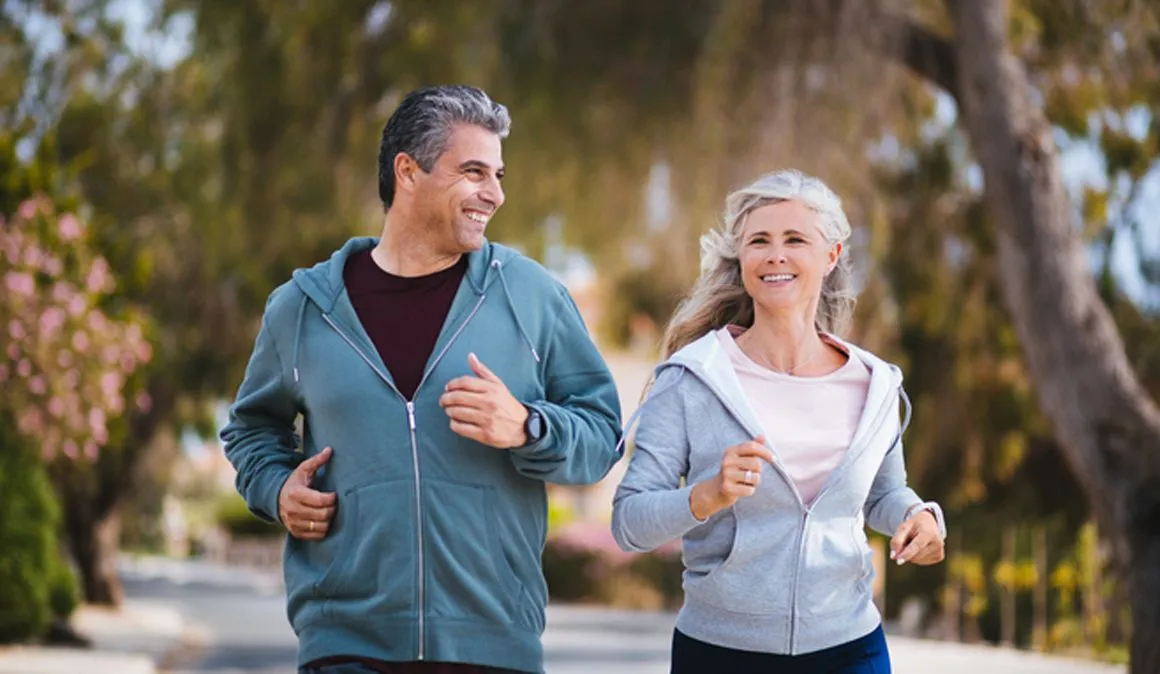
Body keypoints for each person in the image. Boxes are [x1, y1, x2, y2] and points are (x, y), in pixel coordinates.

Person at [221, 85, 623, 674]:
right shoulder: (303, 309)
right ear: (407, 172)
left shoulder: (533, 297)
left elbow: (603, 435)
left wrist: (529, 426)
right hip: (345, 644)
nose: (495, 194)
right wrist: (277, 491)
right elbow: (253, 430)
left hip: (493, 645)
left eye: (499, 174)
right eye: (473, 172)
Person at [610, 169, 946, 674]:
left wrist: (919, 517)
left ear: (831, 255)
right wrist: (708, 496)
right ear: (741, 258)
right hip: (721, 652)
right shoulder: (691, 379)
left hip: (850, 646)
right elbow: (628, 522)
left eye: (795, 239)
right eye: (759, 241)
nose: (775, 255)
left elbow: (883, 495)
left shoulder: (874, 385)